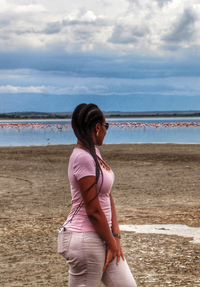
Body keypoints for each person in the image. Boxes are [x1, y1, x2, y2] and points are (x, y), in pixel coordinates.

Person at [58, 103, 137, 287]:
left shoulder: (94, 153)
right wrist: (111, 243)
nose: (106, 131)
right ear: (97, 127)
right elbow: (92, 209)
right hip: (85, 239)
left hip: (102, 236)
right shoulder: (82, 157)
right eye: (106, 126)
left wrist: (115, 235)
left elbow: (107, 194)